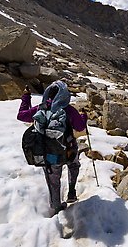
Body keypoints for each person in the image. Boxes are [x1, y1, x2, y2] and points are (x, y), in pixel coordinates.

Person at [17, 81, 88, 215]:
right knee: (73, 166)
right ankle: (71, 191)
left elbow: (21, 115)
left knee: (53, 180)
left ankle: (56, 207)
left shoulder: (41, 108)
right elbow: (80, 127)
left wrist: (26, 97)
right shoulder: (68, 109)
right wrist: (83, 117)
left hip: (48, 153)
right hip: (69, 150)